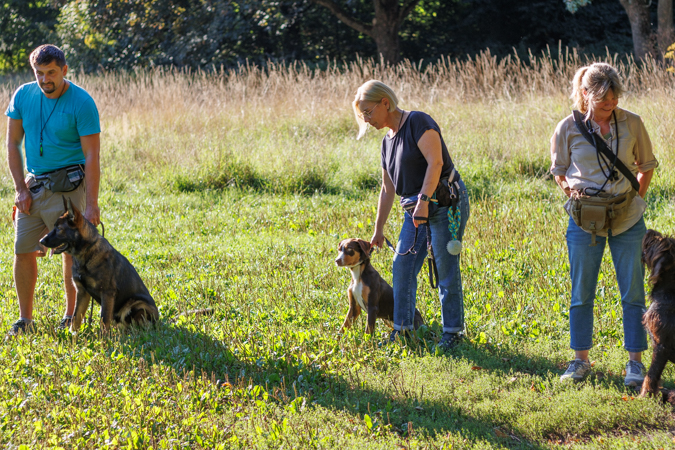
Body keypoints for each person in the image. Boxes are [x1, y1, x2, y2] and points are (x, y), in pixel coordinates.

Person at [550, 62, 657, 385]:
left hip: (628, 219)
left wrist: (633, 200)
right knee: (581, 293)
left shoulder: (633, 122)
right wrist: (574, 196)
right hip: (585, 223)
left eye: (614, 98)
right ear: (585, 94)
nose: (611, 104)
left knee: (633, 293)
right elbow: (559, 171)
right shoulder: (567, 127)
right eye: (603, 100)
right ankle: (579, 361)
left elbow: (646, 165)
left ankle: (635, 364)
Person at [353, 80, 470, 350]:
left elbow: (435, 163)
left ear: (385, 103)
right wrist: (378, 229)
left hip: (444, 203)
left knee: (444, 268)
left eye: (368, 112)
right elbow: (387, 188)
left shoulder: (418, 122)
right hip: (415, 212)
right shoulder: (387, 142)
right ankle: (403, 330)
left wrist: (424, 200)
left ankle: (453, 333)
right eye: (362, 115)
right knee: (402, 267)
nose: (366, 120)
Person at [5, 44, 101, 336]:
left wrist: (91, 205)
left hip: (69, 186)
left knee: (70, 252)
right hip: (33, 186)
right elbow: (12, 143)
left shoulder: (82, 102)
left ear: (64, 70)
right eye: (39, 73)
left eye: (51, 73)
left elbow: (92, 156)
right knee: (23, 249)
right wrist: (20, 188)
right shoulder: (23, 95)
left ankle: (71, 316)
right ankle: (25, 320)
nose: (45, 79)